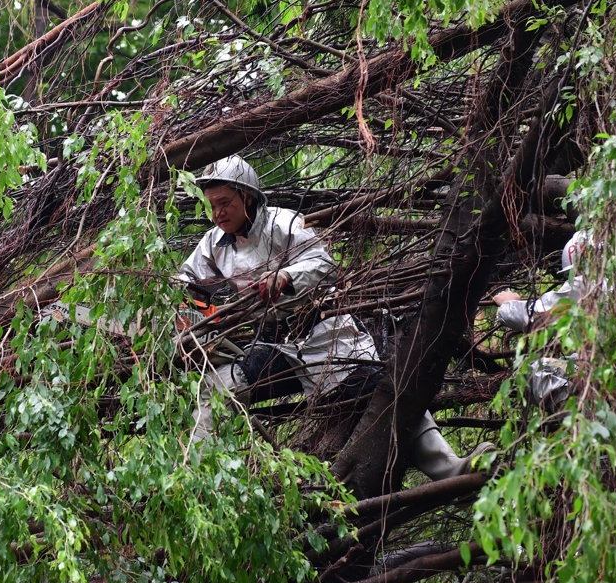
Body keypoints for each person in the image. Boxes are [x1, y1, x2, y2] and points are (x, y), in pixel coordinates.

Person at [178, 155, 493, 479]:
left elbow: (324, 263)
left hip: (324, 333)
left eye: (225, 203)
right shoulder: (212, 244)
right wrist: (186, 311)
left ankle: (450, 468)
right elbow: (186, 283)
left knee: (386, 391)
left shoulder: (286, 223)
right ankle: (197, 480)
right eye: (211, 205)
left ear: (247, 195)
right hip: (272, 344)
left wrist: (285, 277)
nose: (217, 214)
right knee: (216, 386)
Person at [492, 231, 590, 411]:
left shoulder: (589, 283)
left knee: (533, 371)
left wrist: (508, 304)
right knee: (574, 360)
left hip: (613, 381)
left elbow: (538, 317)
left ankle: (590, 423)